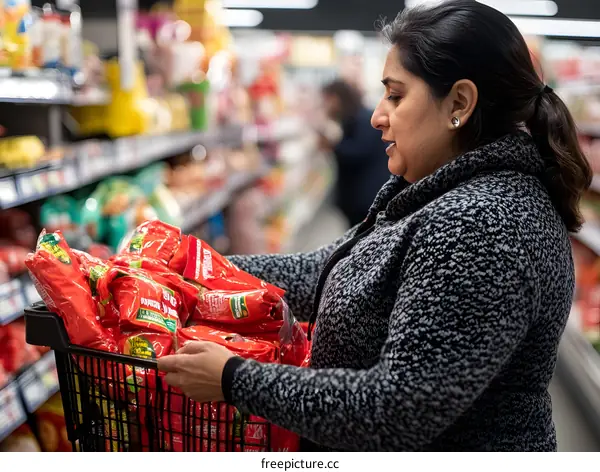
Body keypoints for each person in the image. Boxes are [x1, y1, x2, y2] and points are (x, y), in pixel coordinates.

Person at [157, 0, 592, 452]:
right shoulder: (436, 191)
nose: (376, 115)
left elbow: (398, 410)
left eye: (396, 95)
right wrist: (191, 266)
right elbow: (322, 273)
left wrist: (233, 379)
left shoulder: (481, 224)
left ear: (459, 103)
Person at [320, 79, 391, 227]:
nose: (325, 106)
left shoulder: (364, 119)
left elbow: (358, 152)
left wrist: (333, 146)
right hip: (360, 196)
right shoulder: (352, 118)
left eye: (327, 100)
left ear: (337, 98)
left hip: (366, 196)